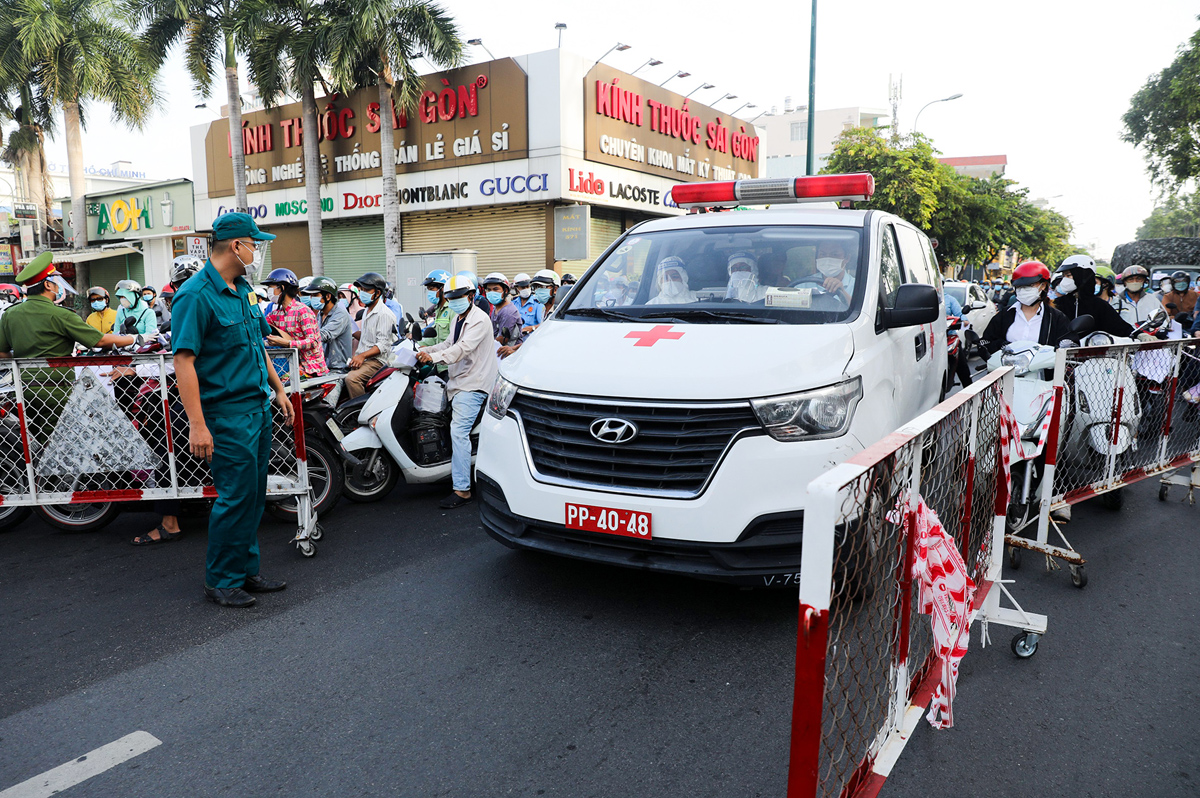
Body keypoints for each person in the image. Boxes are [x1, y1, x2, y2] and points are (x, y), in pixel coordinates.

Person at [170, 212, 293, 608]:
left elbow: (258, 346)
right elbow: (184, 361)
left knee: (254, 496)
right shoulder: (194, 294)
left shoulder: (242, 289)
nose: (257, 251)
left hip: (257, 408)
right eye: (254, 244)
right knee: (235, 496)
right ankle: (221, 580)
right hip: (227, 413)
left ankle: (244, 571)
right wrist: (197, 425)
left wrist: (279, 390)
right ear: (236, 246)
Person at [415, 274, 499, 509]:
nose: (453, 301)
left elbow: (461, 349)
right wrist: (423, 349)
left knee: (458, 432)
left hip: (473, 384)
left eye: (458, 297)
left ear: (471, 296)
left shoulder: (480, 320)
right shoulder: (458, 318)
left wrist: (433, 356)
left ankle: (462, 489)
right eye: (450, 298)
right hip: (458, 380)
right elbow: (449, 344)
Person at [979, 261, 1071, 355]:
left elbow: (1066, 348)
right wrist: (1003, 346)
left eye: (1030, 285)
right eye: (1019, 286)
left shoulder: (1056, 318)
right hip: (1007, 368)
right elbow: (986, 342)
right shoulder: (1004, 315)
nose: (1023, 290)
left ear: (1043, 286)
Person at [263, 268, 327, 379]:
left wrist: (287, 343)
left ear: (282, 288)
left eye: (271, 287)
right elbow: (261, 327)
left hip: (310, 367)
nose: (269, 291)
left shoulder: (303, 311)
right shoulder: (276, 314)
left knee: (280, 382)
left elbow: (313, 341)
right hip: (290, 364)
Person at [1052, 254, 1135, 338]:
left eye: (1068, 275)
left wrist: (1138, 335)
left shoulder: (1099, 305)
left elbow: (1120, 328)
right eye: (1064, 276)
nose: (1065, 280)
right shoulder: (1057, 304)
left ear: (1082, 275)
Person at [345, 271, 396, 398]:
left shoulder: (384, 314)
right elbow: (367, 337)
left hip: (377, 361)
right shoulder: (368, 310)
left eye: (366, 290)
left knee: (352, 379)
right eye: (361, 289)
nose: (362, 293)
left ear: (377, 293)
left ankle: (360, 412)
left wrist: (362, 356)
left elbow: (383, 345)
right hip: (366, 359)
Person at [301, 276, 354, 372]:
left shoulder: (340, 314)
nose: (312, 298)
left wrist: (298, 340)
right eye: (311, 296)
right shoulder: (320, 314)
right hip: (322, 367)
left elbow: (324, 335)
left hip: (338, 369)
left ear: (328, 296)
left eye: (315, 295)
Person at [481, 272, 524, 347]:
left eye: (495, 289)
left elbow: (503, 339)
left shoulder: (508, 312)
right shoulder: (496, 308)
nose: (491, 292)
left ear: (505, 291)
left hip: (508, 354)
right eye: (489, 289)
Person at [420, 269, 454, 347]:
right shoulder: (438, 310)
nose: (430, 293)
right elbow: (436, 339)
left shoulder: (452, 310)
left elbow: (453, 342)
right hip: (438, 354)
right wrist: (418, 344)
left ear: (443, 288)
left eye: (432, 289)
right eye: (428, 290)